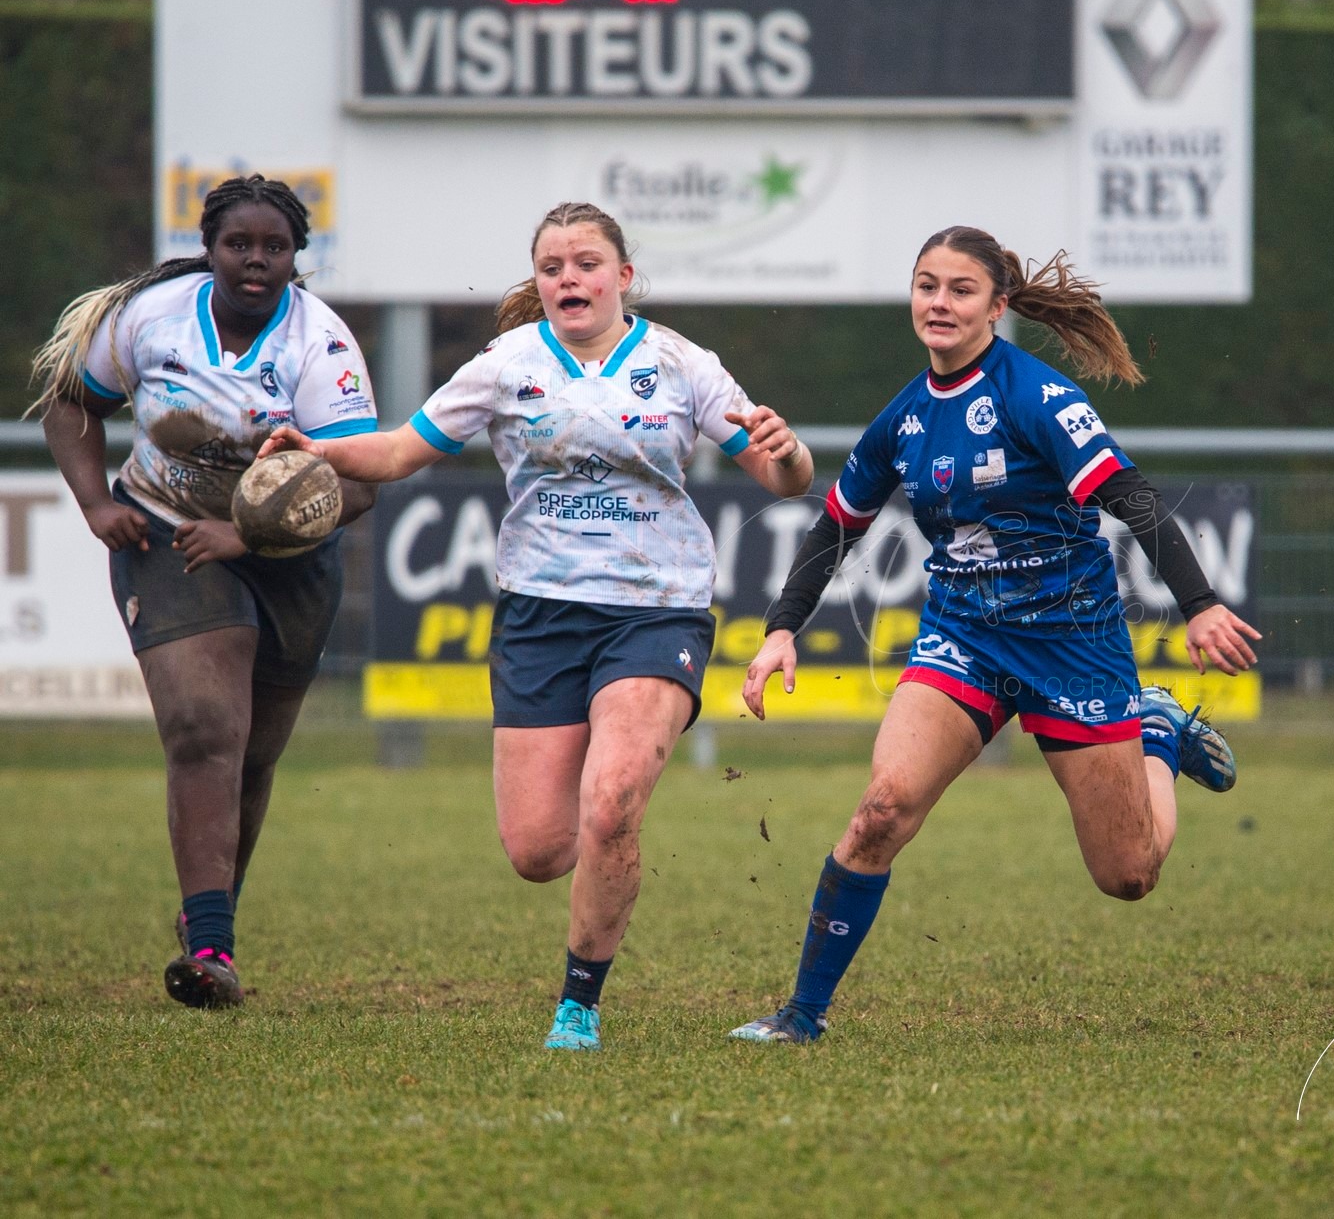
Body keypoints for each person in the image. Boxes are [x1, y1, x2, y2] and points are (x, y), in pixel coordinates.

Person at [259, 201, 812, 1050]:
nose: (568, 278)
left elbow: (779, 477)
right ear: (539, 283)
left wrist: (788, 449)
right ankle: (602, 831)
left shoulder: (677, 363)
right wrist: (319, 448)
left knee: (612, 801)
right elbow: (404, 451)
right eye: (552, 266)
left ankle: (578, 1004)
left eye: (586, 263)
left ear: (622, 277)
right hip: (539, 616)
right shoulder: (509, 363)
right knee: (538, 850)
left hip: (655, 607)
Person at [728, 225, 1262, 1045]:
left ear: (996, 307)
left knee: (1128, 875)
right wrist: (779, 633)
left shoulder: (1036, 397)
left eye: (959, 289)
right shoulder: (904, 418)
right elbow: (836, 525)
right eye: (925, 285)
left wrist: (1197, 603)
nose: (938, 303)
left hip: (1072, 645)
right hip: (963, 637)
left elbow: (1128, 495)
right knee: (881, 809)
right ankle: (801, 1014)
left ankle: (1154, 735)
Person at [31, 174, 381, 1009]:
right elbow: (69, 402)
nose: (256, 261)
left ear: (298, 257)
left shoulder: (320, 344)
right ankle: (214, 948)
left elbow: (360, 487)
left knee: (252, 756)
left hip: (292, 558)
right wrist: (96, 502)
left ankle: (207, 918)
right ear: (210, 247)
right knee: (203, 730)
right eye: (239, 245)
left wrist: (249, 531)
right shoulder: (152, 317)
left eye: (275, 248)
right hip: (166, 536)